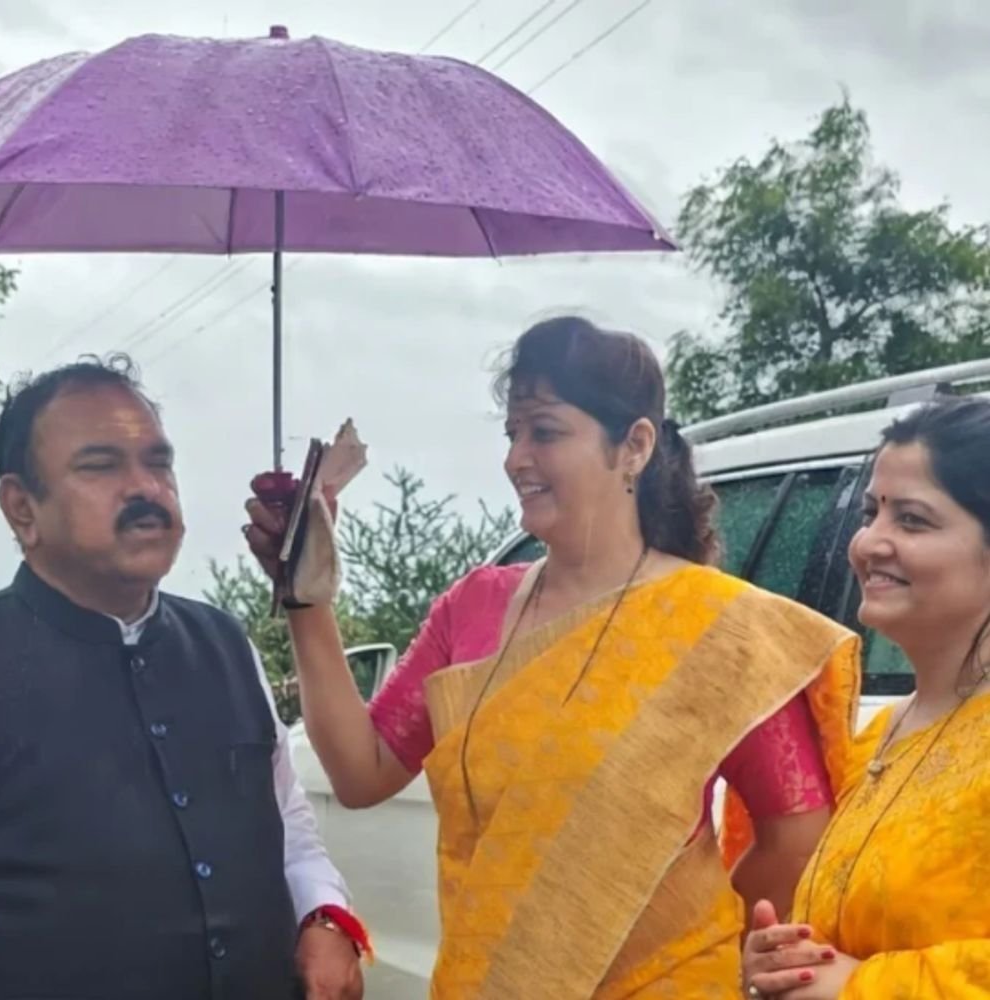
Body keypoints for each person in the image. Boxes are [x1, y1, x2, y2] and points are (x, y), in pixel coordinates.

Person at [245, 316, 860, 996]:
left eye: (544, 431)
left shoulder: (720, 631)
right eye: (512, 433)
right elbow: (361, 772)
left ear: (634, 446)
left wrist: (690, 937)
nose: (516, 458)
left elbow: (798, 834)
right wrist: (306, 597)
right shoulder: (474, 608)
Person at [0, 355, 366, 1000]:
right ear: (22, 507)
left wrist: (323, 915)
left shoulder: (224, 644)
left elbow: (289, 829)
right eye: (101, 466)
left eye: (159, 463)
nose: (146, 488)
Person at [742, 396, 990, 1000]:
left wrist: (858, 985)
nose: (867, 543)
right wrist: (783, 964)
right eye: (871, 511)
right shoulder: (879, 735)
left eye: (912, 520)